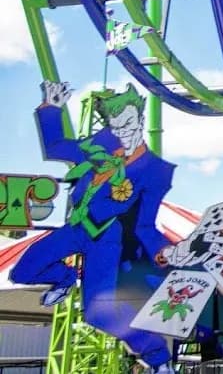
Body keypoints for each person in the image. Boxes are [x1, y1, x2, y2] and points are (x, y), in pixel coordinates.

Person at [10, 82, 177, 374]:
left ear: (139, 119)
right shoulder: (101, 146)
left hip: (108, 239)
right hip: (76, 227)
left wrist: (165, 251)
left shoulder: (155, 171)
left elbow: (145, 225)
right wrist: (52, 106)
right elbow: (57, 147)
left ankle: (158, 358)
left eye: (126, 124)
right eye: (115, 125)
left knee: (99, 315)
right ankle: (64, 277)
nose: (121, 132)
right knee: (23, 270)